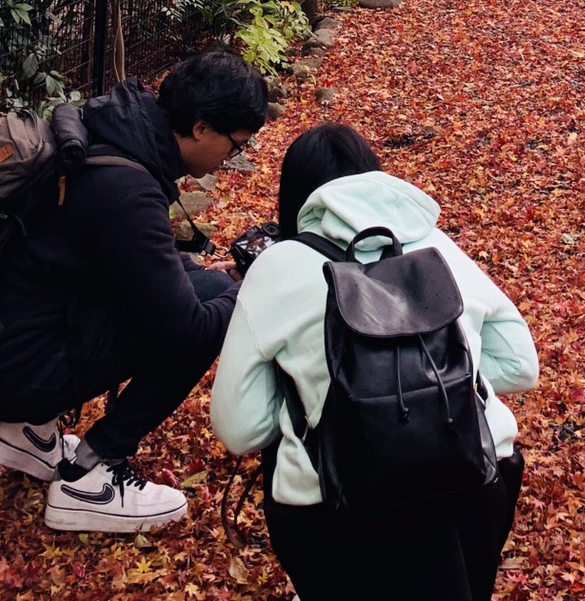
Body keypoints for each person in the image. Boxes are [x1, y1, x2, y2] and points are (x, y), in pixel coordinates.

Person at [210, 124, 539, 601]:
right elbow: (520, 365)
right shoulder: (439, 246)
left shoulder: (277, 266)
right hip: (472, 482)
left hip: (335, 511)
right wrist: (434, 386)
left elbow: (239, 429)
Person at [0, 50, 268, 533]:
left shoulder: (109, 127)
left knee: (205, 283)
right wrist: (252, 286)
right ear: (201, 127)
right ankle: (89, 475)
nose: (231, 160)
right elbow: (184, 328)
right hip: (20, 369)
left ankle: (30, 432)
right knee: (209, 316)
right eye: (234, 146)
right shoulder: (130, 191)